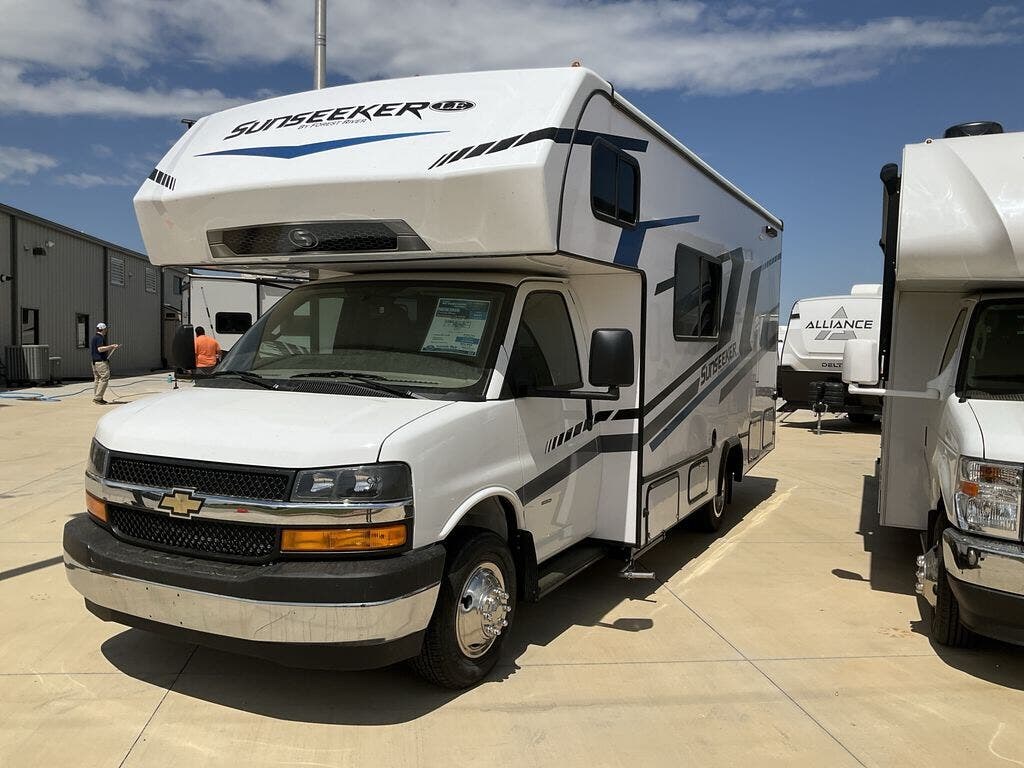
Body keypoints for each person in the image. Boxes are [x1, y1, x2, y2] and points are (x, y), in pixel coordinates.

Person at [90, 322, 120, 404]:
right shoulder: (100, 338)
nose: (106, 331)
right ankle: (98, 398)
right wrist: (111, 346)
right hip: (100, 362)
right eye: (105, 329)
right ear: (103, 329)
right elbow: (100, 349)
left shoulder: (94, 338)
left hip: (94, 362)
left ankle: (97, 397)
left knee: (97, 379)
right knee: (104, 378)